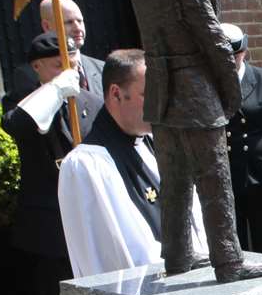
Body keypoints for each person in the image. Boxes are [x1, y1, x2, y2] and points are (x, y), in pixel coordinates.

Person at [117, 0, 262, 282]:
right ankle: (228, 260)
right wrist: (228, 93)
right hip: (194, 92)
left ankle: (178, 255)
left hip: (162, 94)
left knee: (175, 181)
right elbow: (216, 44)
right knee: (214, 180)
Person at [57, 49, 210, 277]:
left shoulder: (154, 143)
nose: (161, 105)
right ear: (116, 94)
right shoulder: (87, 166)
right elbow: (120, 253)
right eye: (149, 95)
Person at [0, 31, 100, 295]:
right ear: (37, 68)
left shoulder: (90, 102)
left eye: (70, 60)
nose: (67, 68)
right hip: (52, 226)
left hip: (92, 217)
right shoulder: (25, 102)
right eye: (56, 64)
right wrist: (55, 92)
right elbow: (19, 125)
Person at [221, 24, 262, 254]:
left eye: (235, 55)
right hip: (228, 174)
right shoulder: (209, 84)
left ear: (244, 51)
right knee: (234, 243)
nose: (230, 61)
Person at [9, 0, 106, 97]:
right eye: (68, 22)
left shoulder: (102, 69)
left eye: (80, 21)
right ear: (47, 26)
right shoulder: (29, 77)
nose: (78, 28)